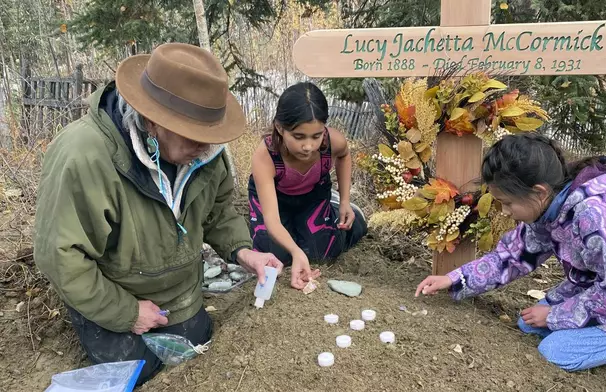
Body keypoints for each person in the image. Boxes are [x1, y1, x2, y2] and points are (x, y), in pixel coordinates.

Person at [33, 43, 283, 386]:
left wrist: (245, 252)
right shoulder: (85, 157)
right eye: (196, 136)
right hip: (114, 293)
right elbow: (61, 257)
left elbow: (218, 212)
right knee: (140, 369)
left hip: (179, 292)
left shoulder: (205, 154)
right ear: (153, 120)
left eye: (211, 135)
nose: (206, 148)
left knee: (196, 348)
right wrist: (127, 312)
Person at [415, 133, 606, 371]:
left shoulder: (592, 215)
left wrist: (554, 315)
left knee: (555, 351)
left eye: (507, 202)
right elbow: (512, 257)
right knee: (529, 324)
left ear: (539, 192)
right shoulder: (552, 206)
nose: (504, 211)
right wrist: (453, 279)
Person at [248, 82, 367, 289]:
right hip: (275, 199)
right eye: (298, 137)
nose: (308, 146)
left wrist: (346, 200)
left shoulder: (332, 142)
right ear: (279, 128)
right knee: (276, 256)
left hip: (313, 193)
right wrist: (295, 252)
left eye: (316, 135)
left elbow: (345, 155)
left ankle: (337, 206)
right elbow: (273, 221)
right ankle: (292, 231)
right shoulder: (265, 156)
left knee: (320, 253)